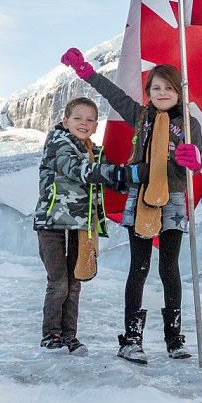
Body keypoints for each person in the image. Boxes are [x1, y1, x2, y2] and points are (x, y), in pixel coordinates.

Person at [61, 47, 202, 364]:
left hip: (174, 199)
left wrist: (194, 160)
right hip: (140, 200)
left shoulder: (190, 124)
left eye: (168, 87)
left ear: (178, 92)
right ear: (149, 93)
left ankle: (174, 338)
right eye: (156, 88)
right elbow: (113, 94)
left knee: (170, 269)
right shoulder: (140, 117)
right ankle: (132, 340)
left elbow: (195, 165)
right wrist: (86, 72)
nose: (162, 92)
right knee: (138, 268)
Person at [33, 96, 123, 355]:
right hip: (51, 224)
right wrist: (112, 173)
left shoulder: (93, 152)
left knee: (74, 282)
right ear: (65, 121)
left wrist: (129, 174)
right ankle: (51, 335)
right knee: (58, 281)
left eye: (90, 120)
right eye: (78, 118)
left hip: (79, 226)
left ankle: (69, 336)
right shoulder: (57, 144)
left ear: (96, 126)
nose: (83, 123)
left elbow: (109, 176)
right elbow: (77, 170)